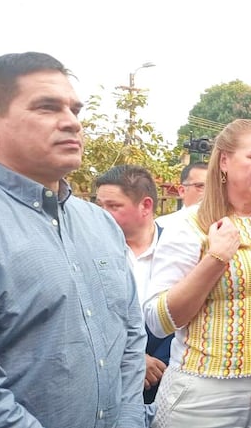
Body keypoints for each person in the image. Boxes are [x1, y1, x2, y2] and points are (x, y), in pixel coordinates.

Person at [0, 52, 146, 427]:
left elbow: (130, 337)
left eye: (75, 109)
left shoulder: (100, 224)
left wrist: (131, 419)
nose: (71, 122)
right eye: (47, 108)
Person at [143, 119, 251, 428]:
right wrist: (215, 259)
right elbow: (159, 319)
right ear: (224, 161)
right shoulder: (188, 225)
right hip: (203, 394)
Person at [95, 164, 172, 406]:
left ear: (145, 206)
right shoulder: (91, 249)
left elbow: (194, 310)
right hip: (109, 377)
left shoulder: (179, 247)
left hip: (170, 377)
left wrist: (161, 362)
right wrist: (132, 358)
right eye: (99, 206)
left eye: (113, 206)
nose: (102, 213)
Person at [156, 161, 207, 228]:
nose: (208, 193)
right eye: (200, 186)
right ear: (182, 191)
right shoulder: (162, 226)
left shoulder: (223, 227)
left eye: (214, 187)